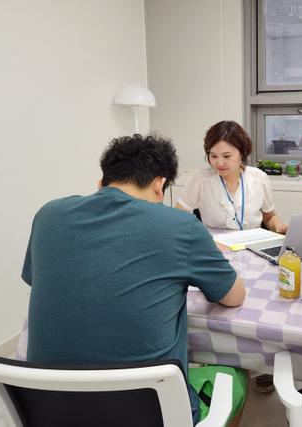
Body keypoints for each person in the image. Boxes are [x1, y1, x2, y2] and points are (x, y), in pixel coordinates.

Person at [22, 134, 247, 425]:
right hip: (151, 413)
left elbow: (39, 281)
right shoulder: (180, 226)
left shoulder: (48, 215)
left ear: (101, 183)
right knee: (236, 374)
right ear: (159, 185)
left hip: (49, 408)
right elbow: (234, 296)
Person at [176, 120, 288, 234]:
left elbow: (269, 216)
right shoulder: (200, 179)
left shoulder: (259, 178)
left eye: (226, 156)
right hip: (214, 243)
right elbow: (178, 217)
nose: (219, 163)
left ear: (242, 153)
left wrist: (279, 226)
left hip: (252, 242)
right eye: (213, 156)